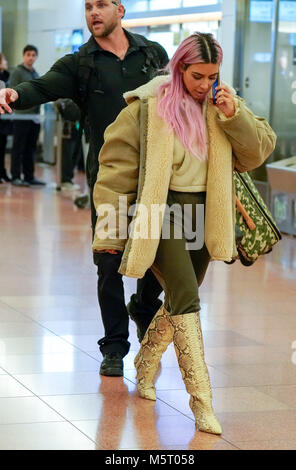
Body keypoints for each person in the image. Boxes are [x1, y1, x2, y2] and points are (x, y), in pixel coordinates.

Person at [92, 33, 277, 434]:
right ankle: (203, 404)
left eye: (212, 76)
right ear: (179, 68)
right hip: (162, 213)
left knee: (178, 299)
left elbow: (259, 151)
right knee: (188, 300)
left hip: (206, 215)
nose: (204, 85)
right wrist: (109, 232)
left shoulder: (221, 104)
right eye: (197, 76)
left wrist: (234, 115)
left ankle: (144, 365)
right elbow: (115, 171)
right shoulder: (147, 107)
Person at [0, 0, 168, 376]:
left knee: (156, 256)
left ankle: (143, 304)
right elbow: (42, 86)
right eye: (88, 6)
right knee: (109, 262)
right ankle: (114, 346)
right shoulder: (82, 63)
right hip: (107, 179)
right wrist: (15, 94)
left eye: (102, 5)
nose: (94, 12)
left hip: (155, 175)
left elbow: (176, 98)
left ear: (120, 10)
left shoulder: (151, 54)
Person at [9, 45, 45, 187]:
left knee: (31, 148)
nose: (31, 57)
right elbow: (11, 91)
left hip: (34, 118)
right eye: (28, 54)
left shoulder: (35, 73)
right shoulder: (17, 72)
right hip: (21, 117)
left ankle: (29, 176)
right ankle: (16, 176)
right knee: (18, 147)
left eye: (33, 55)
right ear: (24, 56)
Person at [0, 53, 11, 183]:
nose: (6, 62)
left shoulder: (7, 76)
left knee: (3, 147)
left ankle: (3, 172)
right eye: (3, 60)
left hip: (5, 118)